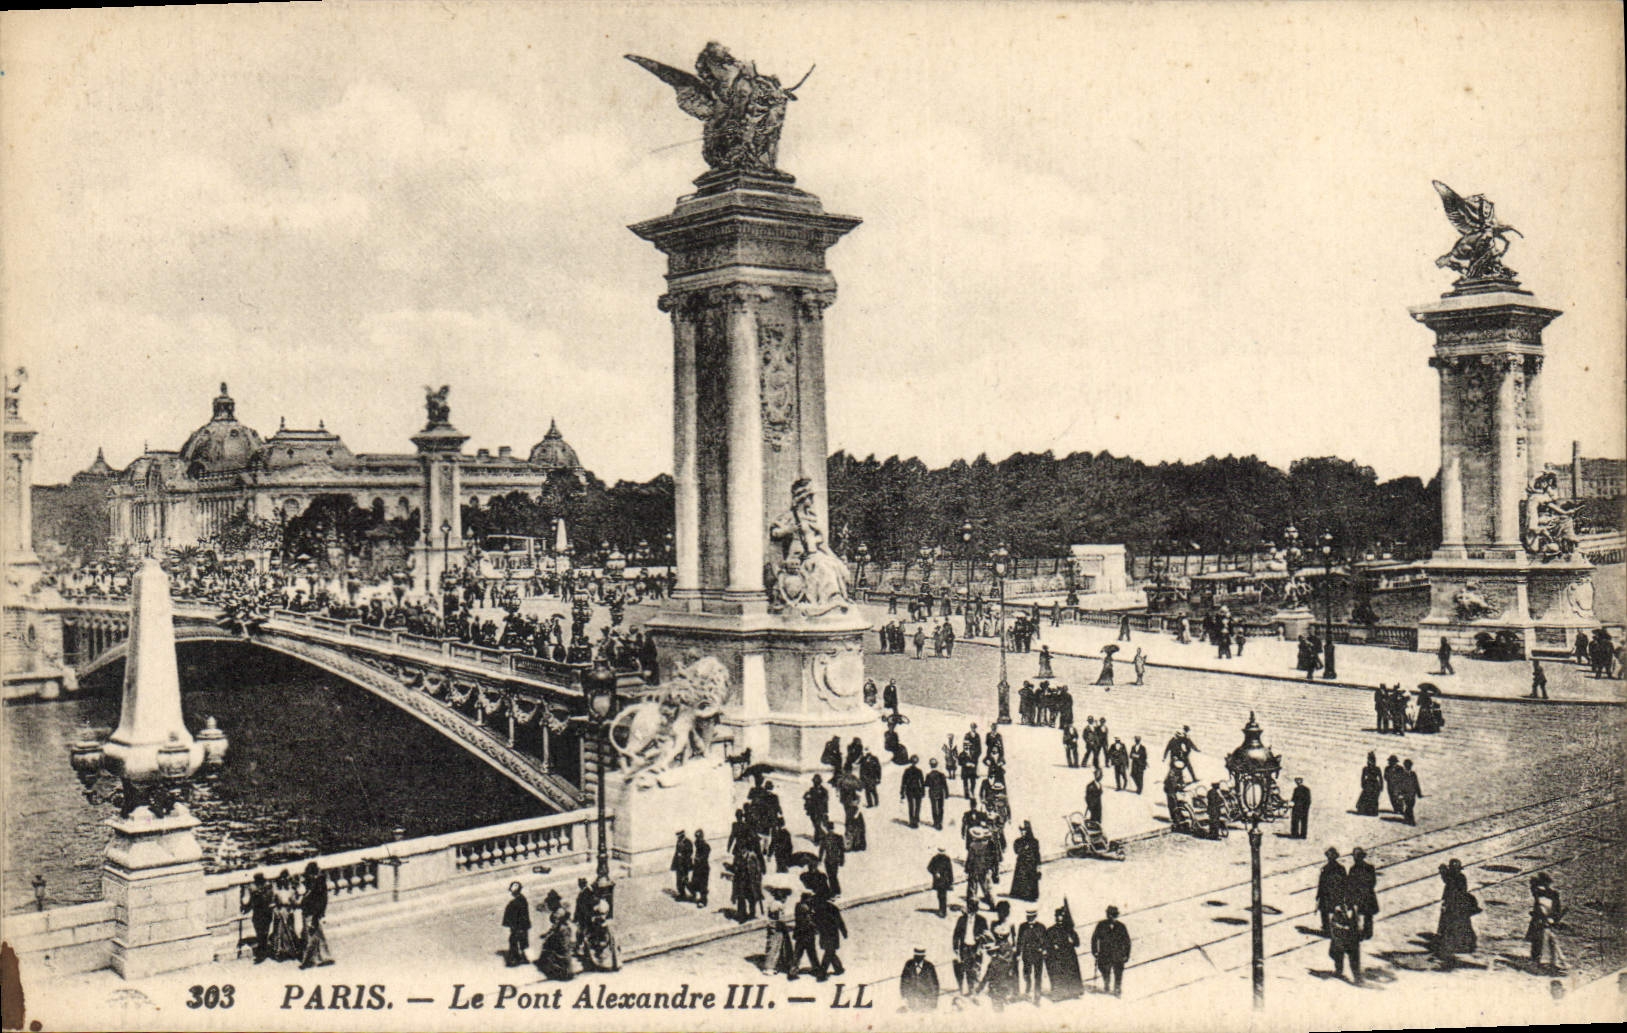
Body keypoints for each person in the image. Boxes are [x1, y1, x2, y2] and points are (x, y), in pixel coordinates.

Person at [1434, 858, 1479, 956]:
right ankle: (1463, 944)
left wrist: (1443, 870)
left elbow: (1448, 882)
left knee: (1452, 924)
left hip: (1455, 905)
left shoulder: (1456, 878)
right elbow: (1447, 880)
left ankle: (1453, 944)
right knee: (1461, 924)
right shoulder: (1460, 877)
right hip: (1458, 905)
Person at [1526, 874, 1566, 972]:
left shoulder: (1553, 894)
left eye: (1545, 884)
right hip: (1539, 921)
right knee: (1537, 941)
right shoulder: (1537, 893)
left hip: (1548, 921)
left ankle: (1552, 962)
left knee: (1550, 942)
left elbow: (1557, 909)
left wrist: (1553, 919)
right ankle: (1536, 961)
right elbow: (1538, 905)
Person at [1044, 903, 1084, 1000]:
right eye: (1057, 916)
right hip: (1057, 957)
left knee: (1071, 974)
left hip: (1069, 956)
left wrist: (1072, 940)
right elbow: (1046, 943)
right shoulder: (1051, 930)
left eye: (1061, 916)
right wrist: (1053, 946)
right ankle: (1059, 994)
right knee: (1058, 975)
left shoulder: (1069, 930)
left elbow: (1077, 943)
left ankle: (1074, 992)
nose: (1059, 919)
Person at [1090, 905, 1131, 997]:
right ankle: (1106, 984)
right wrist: (1095, 951)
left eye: (1114, 915)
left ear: (1116, 916)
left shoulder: (1121, 926)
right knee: (1105, 970)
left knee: (1118, 972)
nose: (1111, 917)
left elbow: (1127, 941)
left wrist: (1126, 954)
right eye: (1109, 915)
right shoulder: (1101, 925)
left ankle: (1117, 988)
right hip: (1105, 954)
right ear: (1107, 915)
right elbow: (1094, 939)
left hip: (1118, 955)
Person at [268, 869, 301, 961]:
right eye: (282, 878)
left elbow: (294, 902)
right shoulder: (276, 891)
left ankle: (291, 951)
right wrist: (275, 911)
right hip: (279, 911)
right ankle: (278, 952)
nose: (284, 880)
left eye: (286, 878)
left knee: (290, 930)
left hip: (288, 911)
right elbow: (272, 903)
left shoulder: (291, 891)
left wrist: (293, 906)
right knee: (279, 932)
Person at [1347, 847, 1379, 939]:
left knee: (1366, 915)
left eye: (1357, 856)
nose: (1355, 858)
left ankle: (1366, 933)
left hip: (1365, 895)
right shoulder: (1354, 868)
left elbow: (1372, 882)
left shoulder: (1367, 868)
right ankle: (1359, 933)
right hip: (1361, 895)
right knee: (1359, 915)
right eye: (1355, 856)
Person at [1016, 908, 1048, 1003]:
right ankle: (1028, 990)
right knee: (1027, 974)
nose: (1030, 918)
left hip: (1038, 955)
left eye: (1032, 917)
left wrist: (1044, 950)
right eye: (1028, 917)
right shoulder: (1022, 927)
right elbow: (1019, 941)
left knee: (1038, 976)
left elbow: (1046, 940)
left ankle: (1037, 996)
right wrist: (1018, 953)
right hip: (1027, 955)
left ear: (1035, 916)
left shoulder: (1041, 927)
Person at [580, 897, 619, 972]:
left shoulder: (602, 925)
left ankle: (599, 963)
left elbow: (602, 941)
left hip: (604, 949)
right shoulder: (607, 923)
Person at [814, 893, 848, 981]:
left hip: (825, 934)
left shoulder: (817, 909)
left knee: (829, 952)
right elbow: (840, 921)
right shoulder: (832, 908)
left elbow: (816, 922)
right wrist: (844, 931)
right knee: (829, 952)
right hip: (832, 934)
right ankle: (825, 973)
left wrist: (817, 930)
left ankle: (836, 969)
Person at [1328, 902, 1363, 985]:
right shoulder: (1337, 911)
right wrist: (1342, 929)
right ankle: (1338, 972)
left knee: (1354, 959)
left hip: (1352, 940)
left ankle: (1357, 977)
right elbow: (1333, 924)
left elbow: (1359, 924)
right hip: (1341, 939)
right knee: (1338, 956)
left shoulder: (1355, 910)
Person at [788, 892, 821, 981]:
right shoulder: (805, 908)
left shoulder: (798, 906)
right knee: (810, 952)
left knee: (799, 953)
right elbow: (809, 922)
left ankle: (793, 971)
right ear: (807, 899)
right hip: (806, 934)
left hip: (800, 934)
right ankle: (816, 969)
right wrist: (817, 928)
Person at [243, 872, 275, 963]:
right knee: (262, 933)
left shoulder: (263, 887)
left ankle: (262, 953)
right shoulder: (264, 887)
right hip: (262, 913)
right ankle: (263, 951)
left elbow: (247, 902)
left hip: (262, 913)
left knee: (262, 933)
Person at [1317, 848, 1347, 936]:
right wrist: (1318, 894)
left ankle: (1331, 929)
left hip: (1333, 893)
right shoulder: (1327, 868)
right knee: (1325, 911)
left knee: (1329, 912)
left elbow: (1344, 882)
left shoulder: (1337, 868)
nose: (1330, 858)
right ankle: (1327, 928)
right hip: (1329, 894)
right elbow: (1321, 883)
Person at [1009, 821, 1042, 901]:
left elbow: (1037, 854)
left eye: (1024, 831)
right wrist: (1023, 848)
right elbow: (1016, 851)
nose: (1022, 833)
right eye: (1021, 831)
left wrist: (1038, 866)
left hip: (1031, 864)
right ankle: (1019, 893)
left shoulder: (1034, 841)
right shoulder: (1018, 841)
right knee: (1021, 878)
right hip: (1021, 863)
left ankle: (1030, 895)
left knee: (1030, 880)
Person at [502, 882, 532, 967]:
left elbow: (516, 914)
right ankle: (523, 957)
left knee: (514, 941)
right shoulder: (522, 899)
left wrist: (513, 925)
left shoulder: (516, 902)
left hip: (518, 926)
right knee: (522, 941)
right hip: (521, 926)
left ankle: (515, 960)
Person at [761, 905, 794, 977]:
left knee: (773, 946)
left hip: (773, 926)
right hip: (777, 927)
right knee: (774, 947)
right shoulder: (778, 905)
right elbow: (780, 919)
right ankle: (769, 968)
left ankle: (773, 965)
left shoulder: (773, 903)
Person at [928, 846, 955, 918]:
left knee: (941, 896)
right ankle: (942, 910)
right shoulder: (939, 858)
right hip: (942, 881)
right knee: (942, 896)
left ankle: (943, 911)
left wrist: (935, 873)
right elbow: (929, 867)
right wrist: (935, 872)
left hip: (942, 881)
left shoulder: (940, 858)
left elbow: (950, 870)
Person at [819, 825, 846, 897]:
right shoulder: (825, 838)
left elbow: (842, 849)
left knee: (833, 875)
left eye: (831, 829)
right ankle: (834, 891)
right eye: (829, 829)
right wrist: (820, 859)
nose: (830, 831)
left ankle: (836, 891)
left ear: (833, 829)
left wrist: (842, 859)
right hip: (827, 860)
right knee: (830, 876)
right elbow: (822, 849)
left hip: (835, 860)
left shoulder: (838, 837)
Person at [1395, 759, 1423, 825]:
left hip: (1412, 793)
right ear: (1405, 765)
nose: (1408, 766)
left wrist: (1419, 793)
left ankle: (1407, 819)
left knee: (1410, 806)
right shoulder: (1401, 774)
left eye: (1410, 765)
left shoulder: (1413, 774)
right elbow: (1398, 784)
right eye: (1407, 765)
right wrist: (1398, 794)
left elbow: (1416, 784)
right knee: (1409, 806)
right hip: (1405, 793)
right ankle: (1411, 821)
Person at [1355, 751, 1384, 816]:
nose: (1370, 762)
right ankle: (1363, 811)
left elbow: (1380, 778)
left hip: (1375, 785)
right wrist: (1363, 784)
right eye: (1369, 760)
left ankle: (1372, 812)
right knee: (1365, 797)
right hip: (1368, 784)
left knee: (1373, 798)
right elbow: (1362, 777)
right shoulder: (1365, 768)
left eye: (1372, 760)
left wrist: (1381, 786)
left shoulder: (1377, 769)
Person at [901, 755, 926, 828]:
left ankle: (912, 821)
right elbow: (922, 782)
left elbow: (903, 782)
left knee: (911, 806)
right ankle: (916, 819)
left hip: (909, 790)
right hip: (917, 789)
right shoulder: (919, 771)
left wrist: (902, 792)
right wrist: (923, 791)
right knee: (918, 806)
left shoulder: (907, 770)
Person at [925, 758, 950, 830]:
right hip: (940, 792)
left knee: (934, 807)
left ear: (930, 765)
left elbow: (926, 784)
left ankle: (935, 822)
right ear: (937, 765)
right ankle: (940, 822)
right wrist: (947, 794)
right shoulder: (941, 774)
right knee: (940, 807)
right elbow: (945, 785)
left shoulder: (929, 775)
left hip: (932, 792)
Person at [689, 829, 711, 908]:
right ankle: (695, 896)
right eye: (696, 837)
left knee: (703, 885)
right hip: (697, 867)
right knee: (695, 883)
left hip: (703, 868)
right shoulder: (697, 843)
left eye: (698, 837)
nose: (697, 839)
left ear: (702, 836)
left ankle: (703, 901)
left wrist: (698, 859)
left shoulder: (706, 846)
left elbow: (705, 856)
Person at [671, 830, 693, 900]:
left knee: (685, 880)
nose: (678, 837)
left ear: (682, 835)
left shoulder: (688, 842)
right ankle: (682, 894)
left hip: (685, 865)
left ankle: (693, 893)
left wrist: (682, 855)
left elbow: (689, 853)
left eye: (679, 836)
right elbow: (676, 853)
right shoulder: (678, 842)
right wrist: (674, 864)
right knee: (678, 881)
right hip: (678, 864)